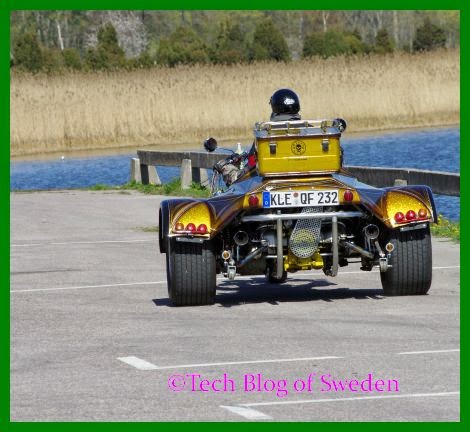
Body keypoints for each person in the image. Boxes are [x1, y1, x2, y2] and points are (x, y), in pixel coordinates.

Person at [216, 88, 302, 186]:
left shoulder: (265, 133)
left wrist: (226, 167)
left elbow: (251, 164)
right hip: (307, 178)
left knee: (227, 170)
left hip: (270, 182)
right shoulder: (311, 129)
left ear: (275, 107)